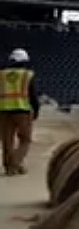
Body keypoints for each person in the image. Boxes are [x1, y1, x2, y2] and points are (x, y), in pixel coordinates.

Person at [1, 48, 41, 176]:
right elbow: (33, 95)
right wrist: (36, 110)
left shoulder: (1, 74)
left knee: (7, 141)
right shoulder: (27, 75)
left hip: (3, 111)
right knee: (25, 140)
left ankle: (9, 167)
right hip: (22, 110)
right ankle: (15, 163)